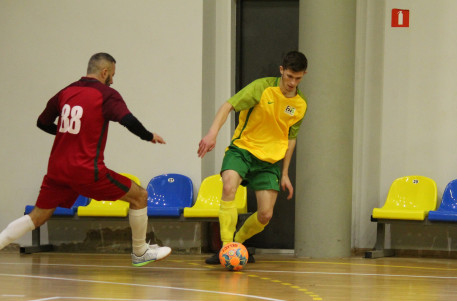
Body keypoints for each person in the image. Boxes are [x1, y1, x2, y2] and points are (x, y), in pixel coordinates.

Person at [0, 53, 171, 266]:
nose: (113, 80)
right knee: (140, 196)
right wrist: (148, 135)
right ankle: (140, 252)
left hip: (57, 170)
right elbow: (128, 120)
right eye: (112, 75)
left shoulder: (66, 91)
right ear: (105, 72)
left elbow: (42, 122)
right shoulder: (106, 95)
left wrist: (67, 134)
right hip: (86, 170)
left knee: (37, 217)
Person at [198, 51, 308, 265]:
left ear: (304, 75)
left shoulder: (300, 104)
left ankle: (236, 244)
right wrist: (212, 133)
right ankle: (226, 247)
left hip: (270, 161)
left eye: (298, 78)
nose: (292, 83)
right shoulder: (261, 87)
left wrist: (285, 173)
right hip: (243, 149)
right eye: (289, 77)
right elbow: (228, 105)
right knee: (228, 186)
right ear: (281, 70)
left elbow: (291, 138)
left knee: (265, 215)